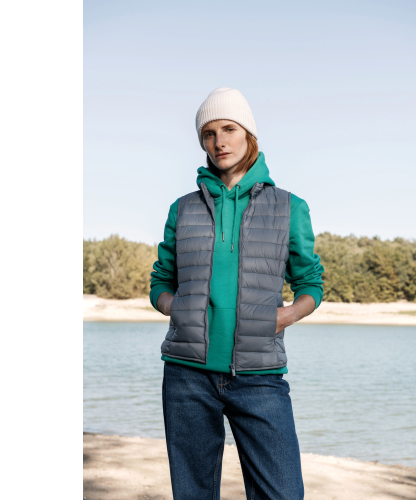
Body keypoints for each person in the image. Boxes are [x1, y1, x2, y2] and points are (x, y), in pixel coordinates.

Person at [150, 87, 324, 500]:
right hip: (186, 375)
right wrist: (176, 308)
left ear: (248, 134)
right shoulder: (182, 208)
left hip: (259, 375)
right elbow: (161, 280)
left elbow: (310, 283)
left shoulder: (289, 207)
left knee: (282, 492)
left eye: (229, 129)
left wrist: (284, 317)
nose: (219, 141)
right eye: (208, 134)